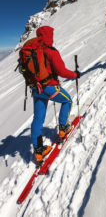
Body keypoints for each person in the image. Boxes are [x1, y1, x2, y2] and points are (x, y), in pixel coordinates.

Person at [30, 26, 80, 163]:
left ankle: (38, 150)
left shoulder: (34, 51)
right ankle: (63, 128)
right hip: (49, 87)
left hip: (36, 90)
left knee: (38, 118)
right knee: (67, 101)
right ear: (49, 36)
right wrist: (75, 74)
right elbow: (62, 71)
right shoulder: (51, 51)